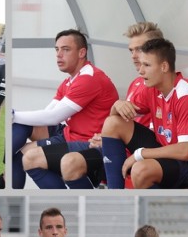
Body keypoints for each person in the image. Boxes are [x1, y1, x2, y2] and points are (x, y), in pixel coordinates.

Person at [101, 38, 188, 189]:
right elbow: (115, 118)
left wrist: (139, 154)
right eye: (141, 64)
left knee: (140, 170)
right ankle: (114, 194)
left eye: (147, 65)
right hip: (167, 149)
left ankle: (158, 207)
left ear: (164, 66)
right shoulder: (150, 87)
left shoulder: (187, 95)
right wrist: (117, 105)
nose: (140, 70)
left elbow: (185, 152)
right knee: (113, 123)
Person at [61, 22, 163, 189]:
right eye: (131, 50)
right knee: (69, 163)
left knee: (36, 156)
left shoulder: (164, 87)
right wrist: (106, 137)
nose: (134, 55)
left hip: (142, 156)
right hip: (119, 148)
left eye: (140, 49)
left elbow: (161, 137)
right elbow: (120, 122)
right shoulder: (136, 83)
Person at [11, 29, 118, 189]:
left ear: (82, 52)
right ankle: (7, 175)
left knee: (29, 158)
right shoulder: (69, 81)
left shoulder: (89, 79)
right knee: (21, 135)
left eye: (66, 49)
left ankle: (82, 187)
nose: (59, 54)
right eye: (57, 49)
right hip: (70, 134)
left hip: (90, 142)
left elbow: (53, 117)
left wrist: (13, 115)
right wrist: (15, 117)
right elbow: (47, 115)